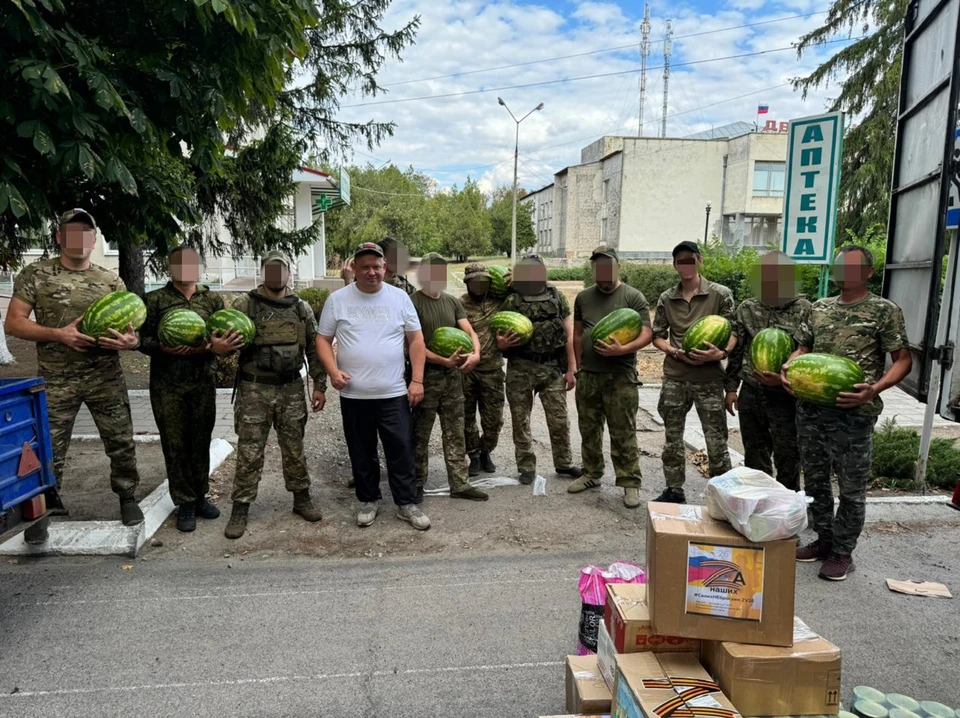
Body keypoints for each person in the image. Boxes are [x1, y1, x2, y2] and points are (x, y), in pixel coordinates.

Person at [6, 209, 143, 543]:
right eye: (72, 232)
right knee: (48, 448)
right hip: (55, 379)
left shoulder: (110, 279)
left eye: (87, 233)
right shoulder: (36, 274)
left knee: (121, 442)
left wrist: (131, 342)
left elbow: (131, 330)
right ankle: (40, 513)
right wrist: (59, 334)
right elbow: (13, 323)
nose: (80, 239)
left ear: (94, 239)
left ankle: (127, 497)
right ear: (59, 237)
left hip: (105, 377)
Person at [783, 245, 911, 581]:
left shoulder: (884, 311)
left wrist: (875, 388)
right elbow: (803, 348)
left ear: (868, 272)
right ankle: (824, 540)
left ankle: (843, 552)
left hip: (854, 413)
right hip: (811, 410)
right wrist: (790, 366)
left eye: (853, 267)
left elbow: (903, 360)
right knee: (815, 481)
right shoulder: (818, 308)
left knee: (852, 488)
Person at [317, 242, 430, 529]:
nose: (371, 272)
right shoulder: (338, 300)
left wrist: (416, 380)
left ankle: (406, 503)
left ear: (385, 268)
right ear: (354, 268)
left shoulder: (400, 299)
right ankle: (368, 500)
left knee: (401, 448)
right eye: (365, 267)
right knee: (361, 449)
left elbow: (416, 340)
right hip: (354, 394)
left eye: (376, 267)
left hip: (393, 392)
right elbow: (322, 340)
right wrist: (332, 371)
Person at [139, 248, 245, 532]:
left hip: (202, 380)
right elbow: (141, 340)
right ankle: (184, 501)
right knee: (175, 444)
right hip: (167, 384)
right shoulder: (155, 300)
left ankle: (199, 496)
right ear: (170, 267)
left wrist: (214, 349)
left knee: (200, 440)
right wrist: (161, 347)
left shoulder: (212, 300)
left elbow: (224, 337)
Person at [223, 251, 327, 539]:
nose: (276, 275)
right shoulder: (246, 305)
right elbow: (225, 340)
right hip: (254, 388)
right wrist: (221, 346)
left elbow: (314, 348)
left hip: (291, 389)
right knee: (249, 450)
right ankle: (240, 507)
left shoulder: (301, 308)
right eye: (271, 269)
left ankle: (301, 498)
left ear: (289, 274)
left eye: (281, 270)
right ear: (263, 272)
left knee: (294, 448)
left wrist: (320, 385)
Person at [651, 240, 737, 504]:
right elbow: (657, 336)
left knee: (716, 441)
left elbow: (734, 333)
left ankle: (723, 496)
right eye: (680, 261)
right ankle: (674, 490)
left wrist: (720, 354)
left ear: (699, 261)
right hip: (675, 377)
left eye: (690, 259)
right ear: (675, 265)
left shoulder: (720, 294)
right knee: (672, 439)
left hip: (709, 379)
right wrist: (674, 351)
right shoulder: (667, 297)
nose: (685, 265)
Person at [570, 246, 653, 508]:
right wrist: (578, 366)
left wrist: (623, 349)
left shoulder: (633, 296)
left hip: (621, 376)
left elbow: (647, 333)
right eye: (598, 265)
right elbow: (577, 333)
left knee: (623, 431)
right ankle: (592, 474)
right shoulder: (583, 297)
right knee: (589, 428)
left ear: (618, 267)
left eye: (607, 265)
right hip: (589, 376)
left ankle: (630, 483)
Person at [724, 251, 810, 491]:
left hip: (786, 395)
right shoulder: (747, 308)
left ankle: (788, 507)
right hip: (751, 392)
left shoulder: (804, 309)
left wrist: (784, 381)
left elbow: (809, 353)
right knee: (754, 452)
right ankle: (759, 503)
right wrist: (731, 388)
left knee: (788, 454)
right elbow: (737, 351)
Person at [499, 253, 582, 484]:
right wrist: (502, 344)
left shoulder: (556, 296)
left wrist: (571, 368)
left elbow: (568, 334)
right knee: (520, 419)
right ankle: (526, 466)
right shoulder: (512, 300)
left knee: (559, 419)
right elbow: (499, 336)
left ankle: (564, 463)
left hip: (552, 367)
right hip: (520, 367)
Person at [411, 253, 488, 501]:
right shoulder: (412, 302)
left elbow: (469, 331)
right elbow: (411, 344)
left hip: (453, 379)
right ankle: (416, 484)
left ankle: (460, 483)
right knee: (420, 434)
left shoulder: (453, 302)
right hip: (425, 377)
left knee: (455, 431)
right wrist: (443, 360)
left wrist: (475, 353)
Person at [460, 263, 506, 477]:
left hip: (493, 370)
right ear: (468, 283)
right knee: (467, 416)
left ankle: (486, 450)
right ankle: (475, 456)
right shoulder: (459, 305)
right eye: (475, 282)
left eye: (483, 282)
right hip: (467, 371)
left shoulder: (500, 302)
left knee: (494, 419)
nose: (479, 286)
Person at [341, 236, 416, 296]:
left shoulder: (405, 285)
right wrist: (349, 281)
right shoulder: (368, 279)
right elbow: (352, 304)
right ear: (383, 259)